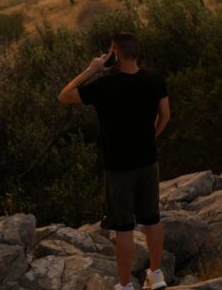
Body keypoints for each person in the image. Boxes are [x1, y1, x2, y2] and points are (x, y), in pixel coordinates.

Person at [58, 33, 171, 290]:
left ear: (115, 54)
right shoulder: (155, 79)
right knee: (152, 219)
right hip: (147, 161)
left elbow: (64, 95)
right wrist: (151, 137)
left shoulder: (104, 86)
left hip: (118, 166)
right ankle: (156, 274)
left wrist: (91, 69)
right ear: (136, 52)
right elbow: (165, 115)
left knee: (124, 228)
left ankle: (125, 285)